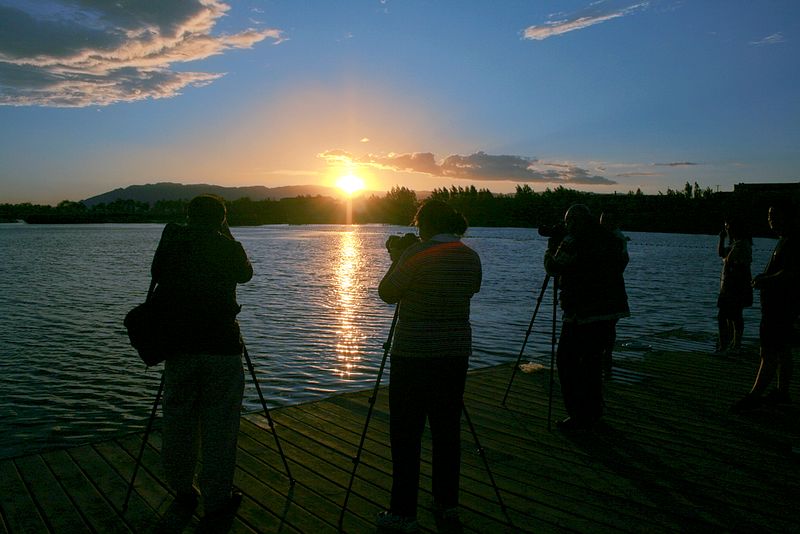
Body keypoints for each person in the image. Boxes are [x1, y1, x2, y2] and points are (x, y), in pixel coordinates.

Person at [376, 200, 482, 532]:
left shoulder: (416, 255)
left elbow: (387, 293)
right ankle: (446, 502)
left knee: (406, 434)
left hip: (414, 355)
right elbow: (471, 289)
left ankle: (403, 512)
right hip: (454, 354)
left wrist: (397, 260)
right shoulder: (470, 256)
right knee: (446, 430)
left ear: (426, 224)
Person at [151, 194, 253, 527]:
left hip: (179, 347)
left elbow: (156, 273)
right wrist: (228, 233)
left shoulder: (172, 244)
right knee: (220, 427)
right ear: (221, 218)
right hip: (221, 347)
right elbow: (245, 275)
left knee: (178, 421)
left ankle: (183, 489)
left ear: (188, 215)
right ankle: (216, 499)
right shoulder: (228, 247)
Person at [544, 204, 630, 432]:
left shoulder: (573, 240)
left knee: (567, 362)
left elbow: (553, 267)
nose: (567, 226)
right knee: (592, 363)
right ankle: (593, 412)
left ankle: (577, 415)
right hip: (610, 310)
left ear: (573, 221)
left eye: (568, 221)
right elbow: (622, 264)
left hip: (581, 313)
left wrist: (550, 247)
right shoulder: (611, 238)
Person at [731, 203, 799, 412]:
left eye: (774, 215)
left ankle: (754, 395)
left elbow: (790, 273)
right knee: (783, 350)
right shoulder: (785, 241)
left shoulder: (793, 243)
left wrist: (764, 280)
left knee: (768, 351)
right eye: (769, 216)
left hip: (779, 307)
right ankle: (782, 391)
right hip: (782, 307)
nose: (770, 220)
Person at [715, 217, 753, 355]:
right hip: (729, 286)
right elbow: (721, 254)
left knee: (729, 316)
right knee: (731, 316)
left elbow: (729, 260)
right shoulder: (735, 244)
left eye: (728, 227)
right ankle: (731, 344)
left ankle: (728, 345)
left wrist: (726, 259)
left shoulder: (742, 244)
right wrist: (721, 239)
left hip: (736, 287)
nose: (726, 230)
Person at [599, 210, 630, 379]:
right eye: (602, 220)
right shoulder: (614, 238)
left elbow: (621, 263)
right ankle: (606, 358)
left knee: (608, 325)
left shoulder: (615, 239)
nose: (602, 224)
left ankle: (606, 357)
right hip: (611, 287)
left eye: (605, 221)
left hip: (610, 288)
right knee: (608, 326)